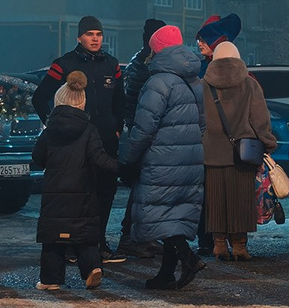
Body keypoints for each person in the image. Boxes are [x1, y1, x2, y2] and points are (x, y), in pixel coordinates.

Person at [117, 24, 206, 289]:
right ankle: (166, 274)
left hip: (161, 160)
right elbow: (202, 124)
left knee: (156, 215)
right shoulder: (194, 80)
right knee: (174, 216)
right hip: (189, 159)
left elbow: (144, 128)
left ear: (157, 50)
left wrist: (128, 158)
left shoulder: (157, 82)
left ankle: (189, 258)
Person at [33, 16, 124, 253]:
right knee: (77, 194)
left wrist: (117, 128)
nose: (95, 39)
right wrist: (53, 125)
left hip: (106, 141)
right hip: (75, 142)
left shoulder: (112, 65)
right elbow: (39, 98)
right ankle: (74, 244)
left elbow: (120, 102)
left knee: (105, 193)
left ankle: (98, 241)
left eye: (99, 34)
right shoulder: (64, 64)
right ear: (79, 37)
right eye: (89, 34)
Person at [30, 70, 119, 291]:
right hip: (82, 190)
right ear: (82, 103)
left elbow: (37, 158)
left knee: (53, 238)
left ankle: (50, 280)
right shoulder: (89, 129)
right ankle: (92, 268)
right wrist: (122, 167)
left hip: (55, 192)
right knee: (84, 234)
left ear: (58, 102)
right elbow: (99, 159)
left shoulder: (49, 131)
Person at [199, 38, 276, 261]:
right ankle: (240, 246)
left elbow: (198, 119)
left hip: (211, 152)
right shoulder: (249, 84)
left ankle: (219, 244)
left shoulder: (203, 85)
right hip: (244, 152)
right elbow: (260, 119)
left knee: (215, 199)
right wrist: (268, 143)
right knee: (241, 199)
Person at [116, 18, 166, 258]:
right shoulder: (145, 65)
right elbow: (139, 104)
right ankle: (129, 238)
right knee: (141, 189)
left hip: (144, 131)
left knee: (147, 189)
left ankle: (143, 237)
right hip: (145, 133)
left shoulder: (143, 62)